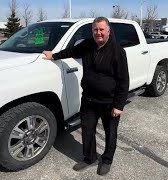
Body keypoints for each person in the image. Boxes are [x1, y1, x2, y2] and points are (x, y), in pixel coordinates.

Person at [42, 17, 129, 176]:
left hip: (109, 102)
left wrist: (119, 105)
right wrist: (53, 56)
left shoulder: (118, 51)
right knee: (88, 130)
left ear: (108, 31)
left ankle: (107, 160)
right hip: (89, 99)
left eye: (101, 29)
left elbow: (124, 81)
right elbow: (70, 51)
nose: (98, 33)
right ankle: (90, 158)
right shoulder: (87, 45)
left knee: (111, 133)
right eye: (95, 30)